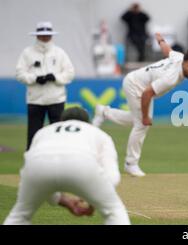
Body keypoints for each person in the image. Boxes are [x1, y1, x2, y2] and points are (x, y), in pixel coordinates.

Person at [92, 33, 188, 177]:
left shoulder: (178, 57)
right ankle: (131, 164)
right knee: (142, 124)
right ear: (183, 63)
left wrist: (160, 39)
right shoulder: (170, 78)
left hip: (138, 82)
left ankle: (104, 112)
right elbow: (147, 94)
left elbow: (167, 50)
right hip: (136, 86)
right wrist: (145, 117)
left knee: (136, 119)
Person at [3, 107, 130, 225]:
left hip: (37, 167)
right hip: (81, 165)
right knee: (114, 211)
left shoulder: (44, 131)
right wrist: (94, 200)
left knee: (19, 215)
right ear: (88, 123)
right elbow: (112, 177)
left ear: (61, 121)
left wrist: (62, 200)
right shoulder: (98, 134)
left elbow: (35, 168)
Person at [16, 21, 75, 150]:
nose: (45, 37)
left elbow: (70, 73)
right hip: (35, 99)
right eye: (42, 35)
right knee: (34, 133)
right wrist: (35, 78)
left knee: (59, 131)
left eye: (47, 35)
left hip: (56, 99)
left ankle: (60, 157)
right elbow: (20, 74)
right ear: (37, 35)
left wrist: (56, 77)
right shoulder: (27, 53)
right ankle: (31, 159)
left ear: (51, 36)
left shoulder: (59, 52)